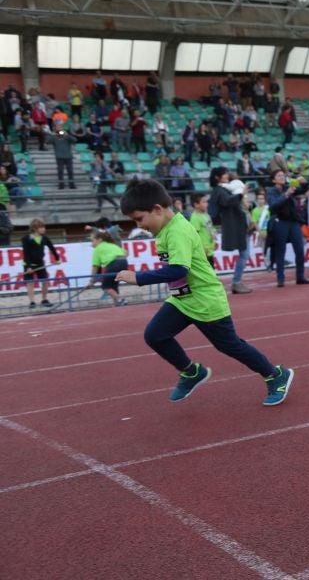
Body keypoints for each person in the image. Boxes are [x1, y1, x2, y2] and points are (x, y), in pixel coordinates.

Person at [115, 179, 294, 405]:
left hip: (205, 299)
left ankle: (276, 375)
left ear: (157, 209)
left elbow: (178, 269)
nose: (139, 225)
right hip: (183, 298)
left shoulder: (177, 230)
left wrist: (139, 277)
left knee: (230, 345)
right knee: (155, 335)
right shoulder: (165, 228)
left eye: (139, 219)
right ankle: (191, 372)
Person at [209, 167, 253, 294]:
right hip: (236, 226)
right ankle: (236, 282)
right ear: (217, 177)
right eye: (224, 174)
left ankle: (236, 282)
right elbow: (228, 202)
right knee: (244, 254)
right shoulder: (219, 190)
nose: (227, 175)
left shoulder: (223, 189)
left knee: (244, 254)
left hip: (240, 225)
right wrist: (241, 193)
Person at [266, 169, 309, 287]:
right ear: (273, 179)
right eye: (279, 176)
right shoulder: (271, 191)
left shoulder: (289, 186)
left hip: (293, 222)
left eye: (283, 175)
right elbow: (273, 206)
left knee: (300, 250)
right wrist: (286, 194)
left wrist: (305, 182)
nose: (282, 177)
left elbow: (304, 190)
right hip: (280, 222)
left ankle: (300, 276)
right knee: (280, 252)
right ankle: (280, 278)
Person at [22, 218, 60, 308]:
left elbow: (52, 248)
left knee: (45, 281)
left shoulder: (45, 238)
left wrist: (57, 258)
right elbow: (25, 253)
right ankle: (32, 302)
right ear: (35, 228)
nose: (44, 229)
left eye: (44, 227)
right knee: (30, 283)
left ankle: (44, 299)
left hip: (40, 264)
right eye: (41, 227)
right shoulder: (26, 238)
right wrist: (28, 267)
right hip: (29, 264)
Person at [89, 228, 128, 306]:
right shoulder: (112, 245)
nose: (91, 243)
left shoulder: (98, 249)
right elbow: (126, 253)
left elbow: (95, 266)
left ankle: (120, 299)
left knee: (105, 286)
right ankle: (117, 302)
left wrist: (92, 280)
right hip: (124, 262)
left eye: (92, 240)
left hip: (113, 263)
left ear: (99, 240)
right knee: (113, 284)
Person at [190, 193, 216, 267]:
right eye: (204, 202)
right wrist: (202, 248)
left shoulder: (206, 215)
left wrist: (213, 233)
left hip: (210, 250)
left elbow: (210, 227)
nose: (206, 204)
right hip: (204, 251)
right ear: (196, 205)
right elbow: (195, 235)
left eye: (206, 202)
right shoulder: (195, 218)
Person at [50, 123, 77, 189]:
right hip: (59, 157)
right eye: (57, 126)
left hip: (68, 156)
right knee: (60, 171)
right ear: (55, 128)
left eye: (60, 127)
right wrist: (52, 135)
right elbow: (48, 141)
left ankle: (72, 184)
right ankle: (61, 185)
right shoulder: (54, 136)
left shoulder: (66, 135)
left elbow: (75, 140)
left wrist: (67, 135)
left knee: (70, 171)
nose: (59, 128)